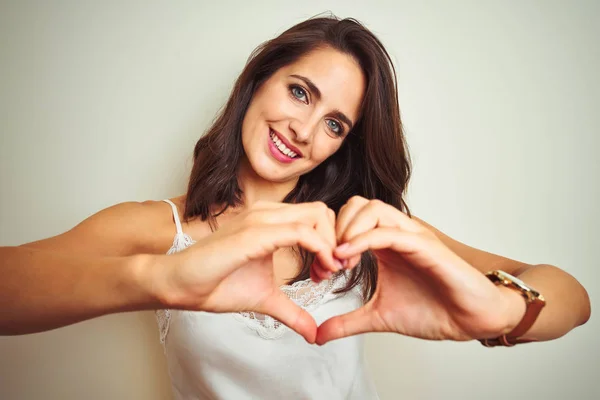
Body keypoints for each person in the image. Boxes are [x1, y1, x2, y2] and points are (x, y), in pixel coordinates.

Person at [0, 15, 591, 399]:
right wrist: (159, 278)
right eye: (299, 91)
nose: (303, 129)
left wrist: (504, 313)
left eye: (334, 123)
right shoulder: (161, 228)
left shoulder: (361, 231)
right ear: (256, 81)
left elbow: (573, 297)